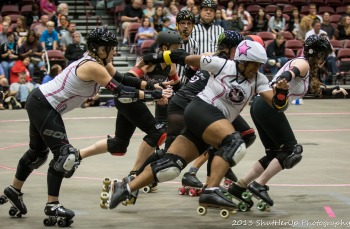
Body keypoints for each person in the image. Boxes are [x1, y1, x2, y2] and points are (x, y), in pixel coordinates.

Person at [0, 27, 171, 224]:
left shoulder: (100, 63)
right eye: (111, 48)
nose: (114, 52)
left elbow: (123, 79)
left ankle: (13, 190)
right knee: (66, 155)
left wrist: (151, 86)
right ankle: (52, 204)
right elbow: (122, 91)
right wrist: (154, 95)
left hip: (41, 102)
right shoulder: (93, 67)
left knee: (37, 153)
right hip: (44, 105)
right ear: (99, 49)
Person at [107, 39, 290, 211]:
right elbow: (184, 58)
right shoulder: (223, 65)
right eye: (253, 64)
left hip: (209, 120)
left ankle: (125, 188)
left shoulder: (259, 79)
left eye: (259, 65)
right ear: (242, 61)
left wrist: (281, 94)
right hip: (201, 109)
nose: (256, 69)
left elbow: (277, 105)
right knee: (233, 143)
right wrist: (153, 57)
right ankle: (211, 190)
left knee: (170, 167)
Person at [227, 35, 336, 211]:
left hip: (260, 104)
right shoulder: (304, 64)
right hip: (269, 105)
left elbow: (310, 89)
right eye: (323, 55)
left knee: (273, 154)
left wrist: (334, 91)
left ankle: (239, 186)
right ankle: (259, 184)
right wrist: (283, 79)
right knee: (291, 150)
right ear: (317, 55)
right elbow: (291, 72)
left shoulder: (306, 67)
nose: (324, 60)